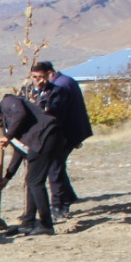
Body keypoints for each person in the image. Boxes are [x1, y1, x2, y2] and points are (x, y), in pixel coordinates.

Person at [0, 93, 62, 236]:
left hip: (46, 136)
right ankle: (28, 222)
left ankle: (46, 224)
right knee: (32, 181)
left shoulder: (7, 101)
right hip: (39, 142)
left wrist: (8, 137)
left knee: (34, 181)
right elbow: (19, 152)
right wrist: (7, 177)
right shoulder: (7, 125)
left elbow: (21, 113)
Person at [32, 61, 89, 218]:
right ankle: (68, 196)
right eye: (34, 77)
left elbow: (56, 113)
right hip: (69, 131)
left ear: (49, 74)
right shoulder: (63, 82)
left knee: (54, 167)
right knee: (58, 166)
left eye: (40, 77)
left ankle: (60, 205)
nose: (37, 80)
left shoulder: (60, 86)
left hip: (63, 133)